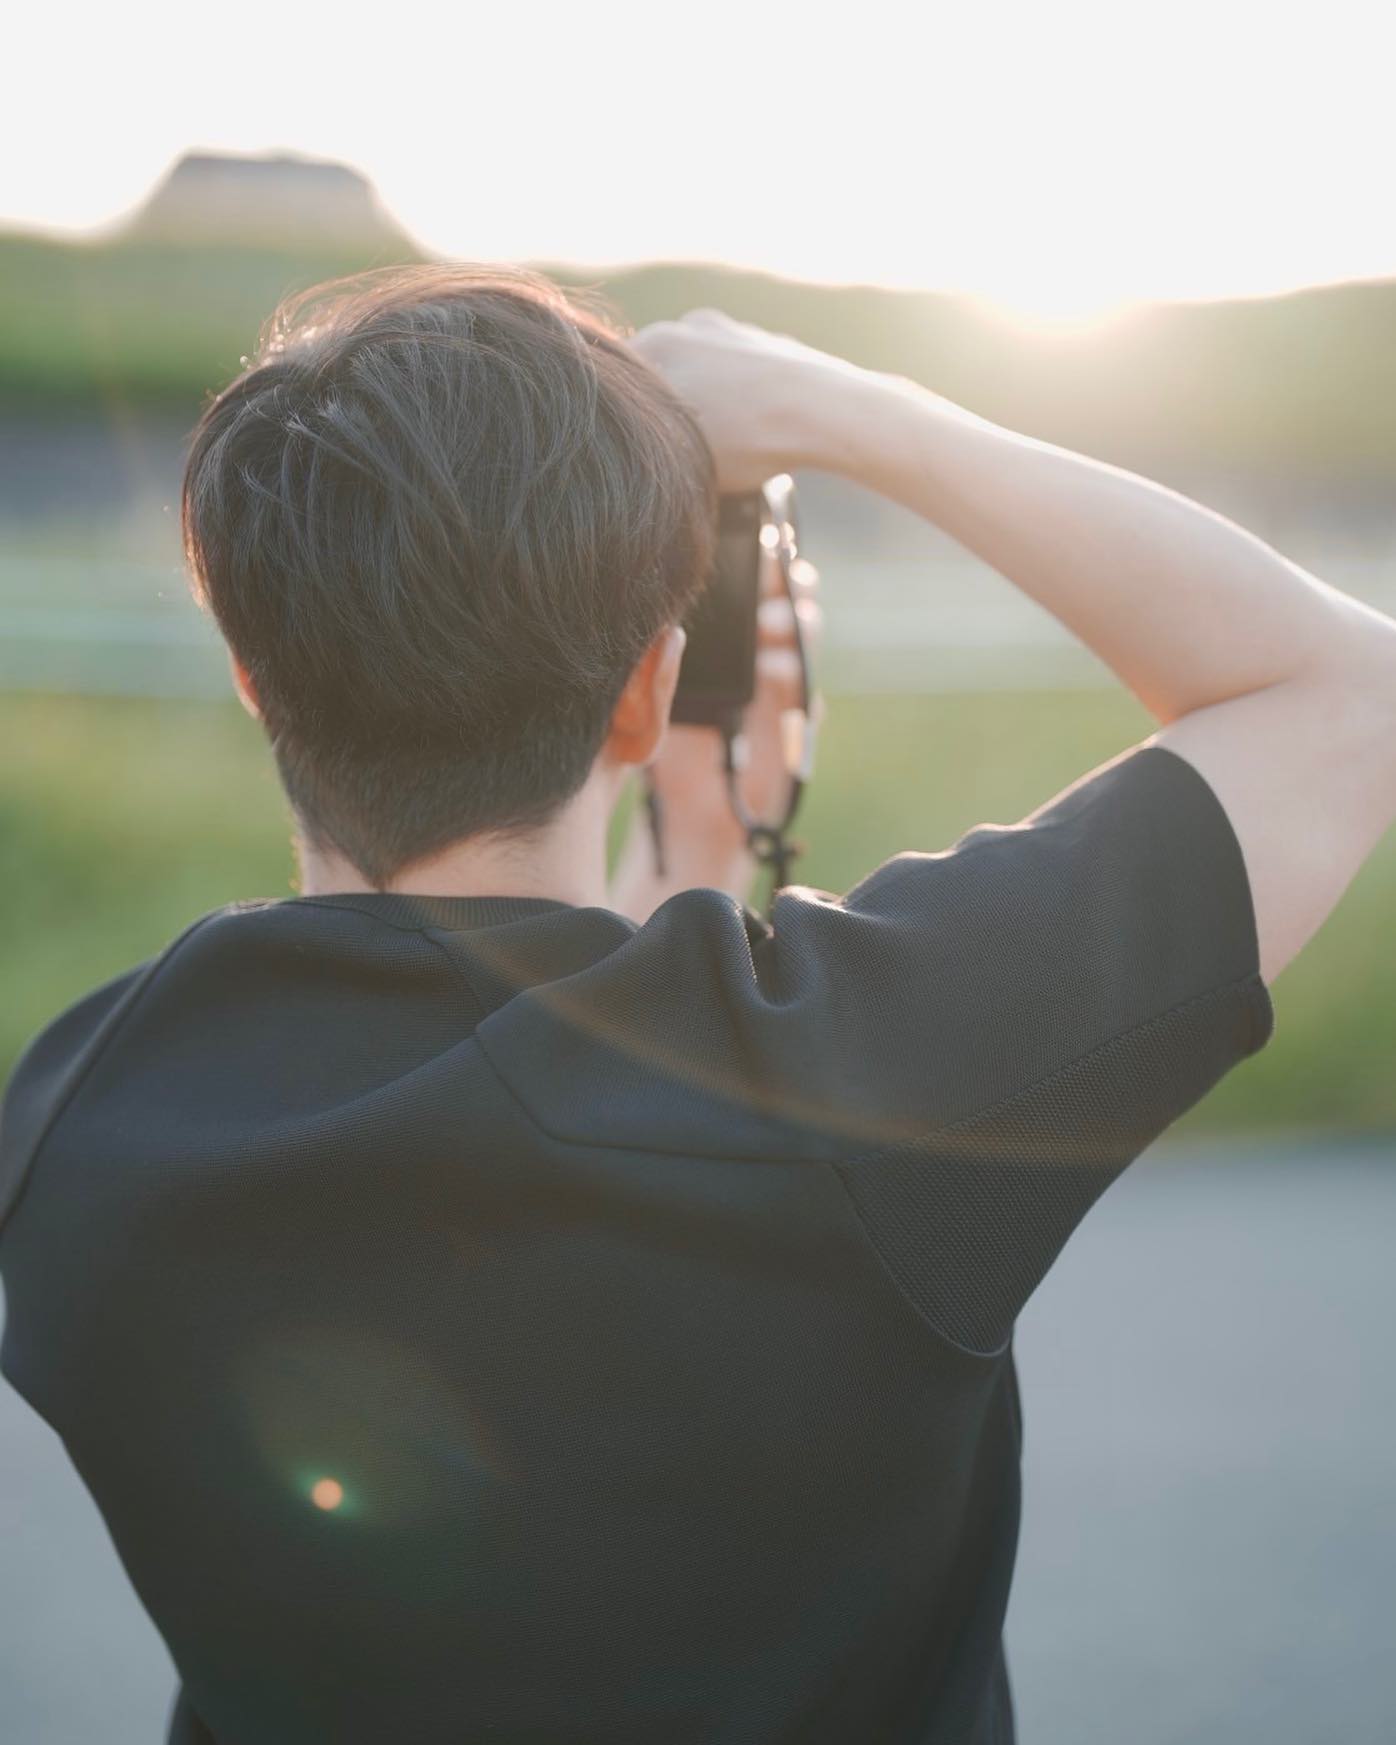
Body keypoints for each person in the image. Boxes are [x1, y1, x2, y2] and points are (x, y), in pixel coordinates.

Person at [1, 264, 1393, 1745]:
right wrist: (853, 413)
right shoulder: (852, 1094)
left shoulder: (82, 1116)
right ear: (649, 692)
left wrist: (684, 899)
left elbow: (494, 1099)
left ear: (253, 678)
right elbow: (1343, 692)